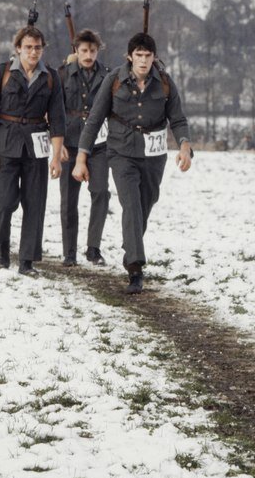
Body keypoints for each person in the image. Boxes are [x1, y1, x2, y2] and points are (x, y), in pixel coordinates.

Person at [72, 32, 192, 294]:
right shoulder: (114, 80)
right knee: (131, 205)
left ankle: (131, 248)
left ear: (154, 58)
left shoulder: (165, 83)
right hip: (121, 152)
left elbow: (178, 119)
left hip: (154, 155)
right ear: (129, 56)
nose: (143, 60)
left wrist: (184, 145)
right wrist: (81, 157)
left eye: (148, 56)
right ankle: (136, 269)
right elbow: (94, 120)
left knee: (145, 204)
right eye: (138, 55)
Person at [0, 25, 65, 276]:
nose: (33, 52)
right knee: (5, 203)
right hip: (5, 146)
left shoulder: (50, 77)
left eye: (38, 47)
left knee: (34, 204)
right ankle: (2, 247)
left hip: (36, 149)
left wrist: (56, 157)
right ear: (18, 49)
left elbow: (58, 121)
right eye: (28, 47)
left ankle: (27, 260)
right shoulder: (2, 73)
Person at [58, 29, 111, 267]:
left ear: (98, 51)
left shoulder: (109, 76)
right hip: (70, 141)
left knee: (100, 193)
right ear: (76, 51)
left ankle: (93, 248)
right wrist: (57, 144)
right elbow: (54, 111)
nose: (88, 55)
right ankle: (69, 252)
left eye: (92, 51)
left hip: (99, 143)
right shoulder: (62, 75)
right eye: (83, 51)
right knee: (69, 199)